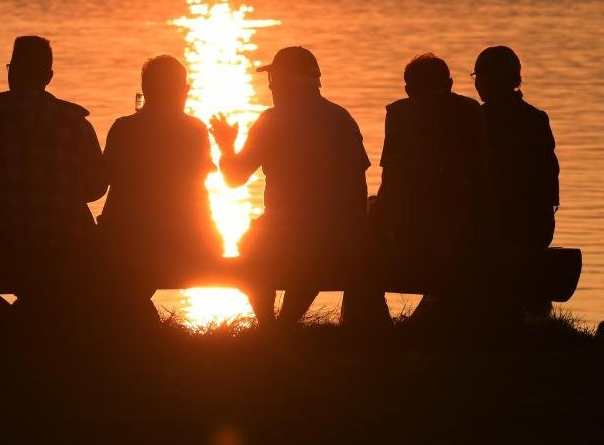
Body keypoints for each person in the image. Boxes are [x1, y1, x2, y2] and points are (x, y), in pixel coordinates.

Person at [0, 36, 107, 343]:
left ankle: (7, 328)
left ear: (11, 72)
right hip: (64, 248)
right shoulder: (75, 122)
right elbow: (96, 189)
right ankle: (31, 330)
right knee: (96, 272)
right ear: (48, 77)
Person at [210, 46, 389, 327]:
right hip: (343, 237)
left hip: (291, 236)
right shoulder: (342, 118)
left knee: (251, 245)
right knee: (307, 249)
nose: (270, 87)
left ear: (285, 81)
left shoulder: (272, 119)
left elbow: (234, 178)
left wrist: (225, 145)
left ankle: (271, 326)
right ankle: (284, 324)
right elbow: (358, 182)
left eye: (273, 79)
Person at [98, 55, 221, 328]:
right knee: (128, 283)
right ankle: (144, 331)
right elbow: (202, 181)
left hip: (127, 246)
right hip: (189, 244)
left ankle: (139, 332)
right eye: (185, 87)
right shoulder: (195, 129)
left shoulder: (123, 128)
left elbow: (101, 183)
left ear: (147, 90)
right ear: (180, 90)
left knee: (110, 271)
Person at [374, 54, 495, 322]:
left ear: (408, 89)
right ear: (449, 84)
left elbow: (392, 179)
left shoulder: (399, 113)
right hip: (462, 228)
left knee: (365, 224)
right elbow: (481, 176)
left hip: (414, 231)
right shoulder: (472, 110)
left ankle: (371, 315)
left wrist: (387, 224)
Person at [473, 46, 560, 316]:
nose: (477, 83)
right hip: (536, 228)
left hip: (495, 228)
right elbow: (549, 177)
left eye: (478, 76)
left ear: (488, 80)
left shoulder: (479, 120)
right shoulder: (536, 118)